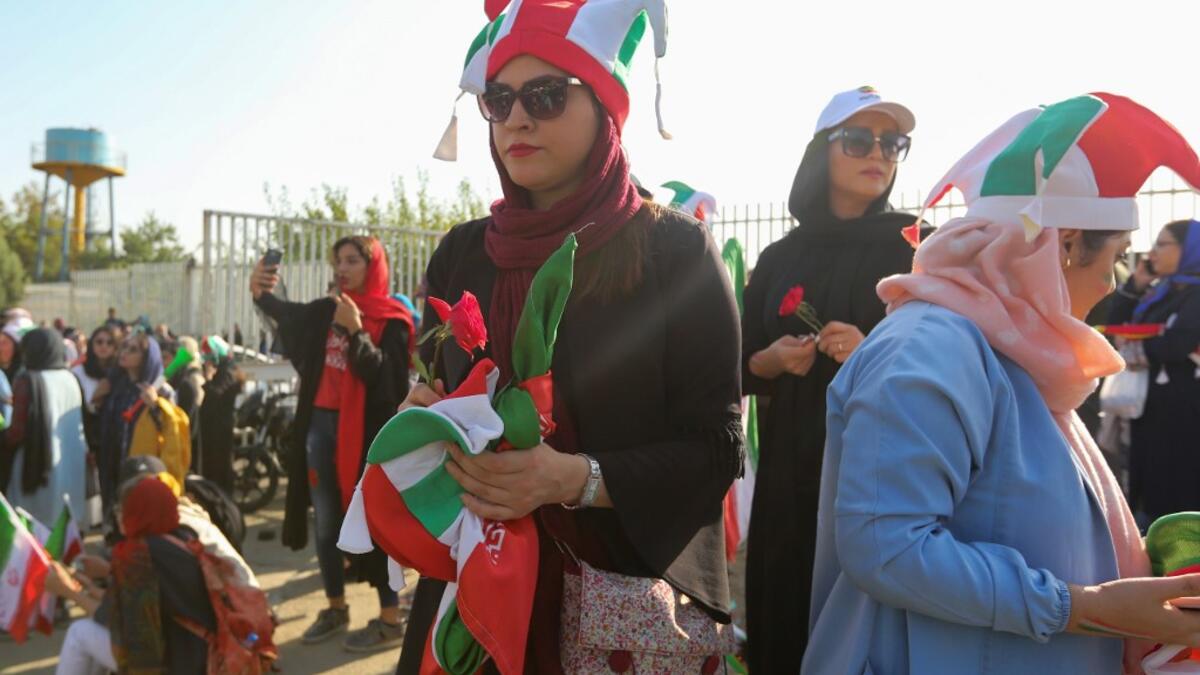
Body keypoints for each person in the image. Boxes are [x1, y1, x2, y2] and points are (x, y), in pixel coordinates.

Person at [393, 2, 741, 670]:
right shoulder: (463, 255)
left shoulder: (674, 251)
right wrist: (423, 419)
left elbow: (717, 448)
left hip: (622, 605)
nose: (518, 118)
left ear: (606, 109)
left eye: (547, 95)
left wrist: (573, 479)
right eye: (500, 99)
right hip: (475, 595)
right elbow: (439, 392)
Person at [804, 93, 1200, 674]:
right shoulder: (929, 350)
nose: (1114, 284)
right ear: (1063, 246)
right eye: (1114, 258)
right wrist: (1083, 607)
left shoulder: (1010, 352)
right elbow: (885, 548)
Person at [738, 85, 918, 669]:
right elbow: (732, 365)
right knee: (789, 609)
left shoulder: (916, 246)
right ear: (822, 152)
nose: (880, 154)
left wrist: (872, 350)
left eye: (893, 144)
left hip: (880, 466)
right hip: (793, 466)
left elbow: (947, 356)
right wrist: (766, 362)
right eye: (860, 139)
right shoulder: (778, 258)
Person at [249, 235, 414, 651]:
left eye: (352, 259)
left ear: (372, 265)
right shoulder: (326, 310)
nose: (341, 267)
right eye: (337, 259)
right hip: (320, 429)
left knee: (374, 522)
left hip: (367, 437)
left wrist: (356, 332)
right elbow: (282, 313)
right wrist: (260, 290)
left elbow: (388, 384)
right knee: (326, 523)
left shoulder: (393, 321)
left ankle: (390, 618)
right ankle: (336, 606)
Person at [52, 475, 215, 675]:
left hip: (175, 664)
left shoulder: (136, 555)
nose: (119, 516)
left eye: (123, 509)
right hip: (203, 654)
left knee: (79, 633)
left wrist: (69, 592)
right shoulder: (183, 536)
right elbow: (146, 602)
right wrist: (95, 585)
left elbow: (114, 621)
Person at [1110, 219, 1200, 522]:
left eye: (1163, 244)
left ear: (1188, 249)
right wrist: (1135, 285)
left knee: (1178, 494)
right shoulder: (1160, 292)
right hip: (1149, 410)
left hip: (1185, 413)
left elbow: (1178, 342)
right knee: (1146, 487)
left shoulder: (1196, 294)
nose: (1152, 252)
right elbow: (1114, 328)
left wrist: (1136, 349)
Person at [0, 328, 87, 526]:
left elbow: (17, 433)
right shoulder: (70, 378)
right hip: (69, 463)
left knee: (31, 526)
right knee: (62, 528)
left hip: (35, 467)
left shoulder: (27, 379)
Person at [94, 332, 178, 517]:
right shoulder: (115, 385)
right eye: (124, 347)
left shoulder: (161, 390)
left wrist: (155, 406)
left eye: (133, 350)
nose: (124, 353)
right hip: (113, 463)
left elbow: (171, 430)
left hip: (143, 467)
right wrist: (97, 401)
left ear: (146, 357)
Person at [198, 336, 243, 496]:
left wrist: (208, 380)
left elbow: (217, 395)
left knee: (220, 468)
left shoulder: (228, 371)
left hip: (220, 430)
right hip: (212, 429)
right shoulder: (223, 369)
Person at [163, 337, 205, 471]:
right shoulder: (170, 381)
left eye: (166, 358)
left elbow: (187, 426)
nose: (162, 362)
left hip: (183, 456)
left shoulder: (187, 384)